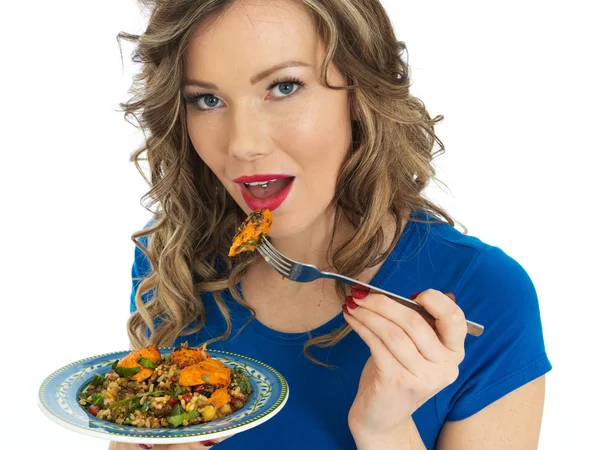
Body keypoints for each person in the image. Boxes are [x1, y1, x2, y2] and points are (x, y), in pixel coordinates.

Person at [110, 0, 551, 449]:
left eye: (283, 87)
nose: (242, 145)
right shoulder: (175, 257)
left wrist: (385, 430)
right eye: (207, 100)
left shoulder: (486, 294)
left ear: (359, 93)